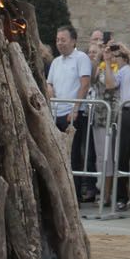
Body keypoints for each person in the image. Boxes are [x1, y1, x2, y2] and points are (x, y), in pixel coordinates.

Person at [46, 25, 97, 203]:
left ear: (73, 41)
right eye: (58, 40)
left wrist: (76, 108)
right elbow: (49, 83)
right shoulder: (56, 62)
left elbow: (84, 83)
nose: (60, 43)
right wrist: (50, 95)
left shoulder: (81, 58)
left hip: (73, 114)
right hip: (56, 113)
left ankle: (74, 195)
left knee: (73, 155)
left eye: (63, 39)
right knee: (58, 155)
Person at [94, 42, 130, 209]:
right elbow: (110, 84)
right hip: (123, 115)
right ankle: (122, 196)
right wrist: (107, 60)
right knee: (121, 157)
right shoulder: (118, 71)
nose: (114, 58)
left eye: (117, 56)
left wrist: (123, 50)